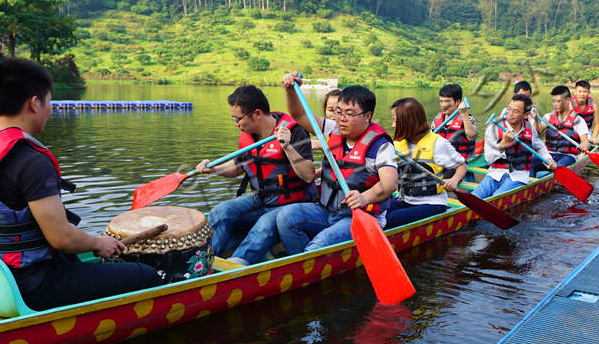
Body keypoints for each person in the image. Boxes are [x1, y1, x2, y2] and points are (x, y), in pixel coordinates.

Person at [0, 58, 161, 311]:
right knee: (145, 276)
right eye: (49, 101)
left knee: (76, 263)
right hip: (27, 287)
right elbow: (61, 238)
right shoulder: (30, 161)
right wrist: (98, 243)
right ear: (34, 103)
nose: (51, 109)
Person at [275, 74, 399, 253]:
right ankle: (303, 260)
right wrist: (291, 91)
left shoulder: (381, 145)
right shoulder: (332, 129)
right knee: (285, 217)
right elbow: (299, 115)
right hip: (327, 210)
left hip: (362, 217)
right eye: (338, 112)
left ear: (367, 116)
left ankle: (311, 256)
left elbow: (390, 183)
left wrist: (364, 197)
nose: (341, 119)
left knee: (319, 244)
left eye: (349, 114)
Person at [195, 85, 315, 265]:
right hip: (260, 199)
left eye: (237, 119)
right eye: (233, 118)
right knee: (221, 211)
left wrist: (287, 147)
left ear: (257, 114)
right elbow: (238, 166)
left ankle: (237, 264)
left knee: (264, 226)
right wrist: (213, 169)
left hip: (290, 205)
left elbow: (308, 175)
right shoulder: (248, 135)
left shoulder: (294, 131)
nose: (236, 124)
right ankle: (202, 261)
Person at [387, 98, 467, 228]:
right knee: (375, 213)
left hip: (432, 203)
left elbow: (461, 166)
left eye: (396, 121)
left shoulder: (438, 144)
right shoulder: (397, 144)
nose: (393, 126)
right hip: (405, 199)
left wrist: (454, 180)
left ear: (409, 122)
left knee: (389, 220)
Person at [473, 93, 555, 199]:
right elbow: (488, 159)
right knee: (474, 197)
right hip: (495, 174)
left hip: (518, 177)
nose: (510, 114)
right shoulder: (493, 128)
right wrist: (504, 143)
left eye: (516, 111)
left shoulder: (530, 128)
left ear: (526, 115)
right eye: (509, 109)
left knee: (496, 198)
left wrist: (548, 158)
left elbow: (539, 146)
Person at [543, 85, 592, 166]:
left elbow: (585, 141)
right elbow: (536, 133)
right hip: (549, 155)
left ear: (568, 100)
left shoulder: (578, 120)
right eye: (553, 101)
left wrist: (584, 146)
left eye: (559, 101)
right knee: (532, 162)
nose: (555, 104)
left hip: (568, 156)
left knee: (559, 166)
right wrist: (534, 118)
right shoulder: (547, 117)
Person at [431, 83, 476, 162]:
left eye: (447, 101)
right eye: (441, 101)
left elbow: (471, 136)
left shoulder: (467, 118)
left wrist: (464, 114)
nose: (443, 105)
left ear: (457, 101)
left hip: (461, 163)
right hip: (441, 160)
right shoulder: (437, 118)